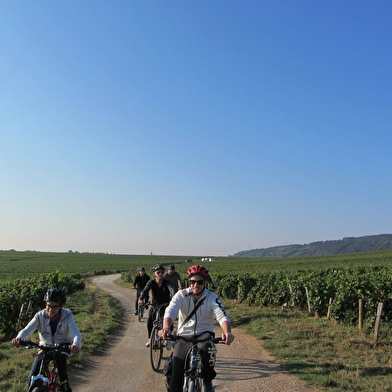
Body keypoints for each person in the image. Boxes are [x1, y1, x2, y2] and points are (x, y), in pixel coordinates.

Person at [159, 265, 234, 392]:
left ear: (205, 282)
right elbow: (170, 312)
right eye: (192, 282)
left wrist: (227, 332)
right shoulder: (181, 295)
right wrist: (166, 328)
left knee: (207, 352)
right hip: (183, 336)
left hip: (204, 334)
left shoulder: (211, 297)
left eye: (199, 282)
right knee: (176, 372)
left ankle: (207, 381)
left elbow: (222, 315)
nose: (195, 285)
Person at [11, 288, 82, 392]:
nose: (50, 310)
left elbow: (76, 334)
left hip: (62, 346)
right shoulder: (40, 315)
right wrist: (19, 338)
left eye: (55, 307)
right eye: (48, 306)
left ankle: (65, 385)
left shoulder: (67, 315)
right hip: (44, 347)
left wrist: (75, 345)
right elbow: (27, 330)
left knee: (59, 360)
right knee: (32, 376)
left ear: (62, 306)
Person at [138, 264, 176, 347]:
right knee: (150, 320)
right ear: (154, 274)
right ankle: (150, 339)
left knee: (169, 321)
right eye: (158, 272)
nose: (160, 274)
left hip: (166, 304)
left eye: (162, 272)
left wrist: (174, 299)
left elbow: (172, 290)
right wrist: (141, 299)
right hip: (155, 305)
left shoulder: (167, 282)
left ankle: (168, 338)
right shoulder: (151, 282)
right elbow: (145, 290)